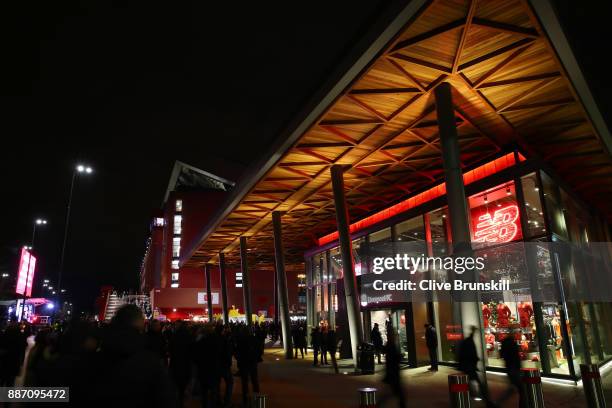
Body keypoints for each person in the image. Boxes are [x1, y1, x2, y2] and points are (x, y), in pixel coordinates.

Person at [91, 304, 177, 407]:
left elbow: (69, 394)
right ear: (139, 322)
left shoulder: (95, 356)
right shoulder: (150, 361)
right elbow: (166, 399)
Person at [457, 325, 491, 405]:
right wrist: (476, 359)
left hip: (467, 366)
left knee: (469, 381)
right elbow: (469, 354)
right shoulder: (469, 341)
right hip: (469, 366)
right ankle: (485, 400)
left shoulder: (468, 341)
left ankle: (471, 395)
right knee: (477, 382)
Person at [497, 330, 526, 408]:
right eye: (515, 332)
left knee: (514, 388)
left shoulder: (506, 342)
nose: (517, 334)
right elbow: (513, 356)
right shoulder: (510, 342)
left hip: (511, 367)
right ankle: (498, 402)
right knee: (521, 389)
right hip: (513, 368)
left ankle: (498, 402)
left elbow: (502, 354)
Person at [378, 328, 406, 408]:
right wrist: (400, 356)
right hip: (393, 374)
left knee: (392, 393)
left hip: (391, 374)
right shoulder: (391, 345)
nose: (396, 336)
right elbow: (393, 359)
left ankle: (379, 403)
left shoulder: (389, 344)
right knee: (398, 394)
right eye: (395, 335)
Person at [235, 325, 262, 405]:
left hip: (243, 363)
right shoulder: (254, 339)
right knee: (254, 380)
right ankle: (256, 399)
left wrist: (239, 359)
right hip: (252, 362)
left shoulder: (240, 340)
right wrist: (256, 357)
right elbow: (259, 350)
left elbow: (237, 352)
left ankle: (245, 400)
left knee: (245, 382)